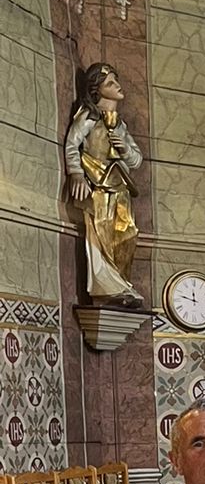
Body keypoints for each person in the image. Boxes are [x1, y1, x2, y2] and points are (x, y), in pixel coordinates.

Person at [64, 62, 143, 307]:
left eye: (116, 80)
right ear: (97, 90)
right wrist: (76, 173)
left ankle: (121, 283)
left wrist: (125, 148)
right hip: (97, 186)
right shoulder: (89, 117)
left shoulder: (120, 125)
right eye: (110, 83)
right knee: (101, 233)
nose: (117, 85)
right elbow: (72, 144)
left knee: (127, 233)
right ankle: (106, 288)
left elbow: (136, 160)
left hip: (120, 187)